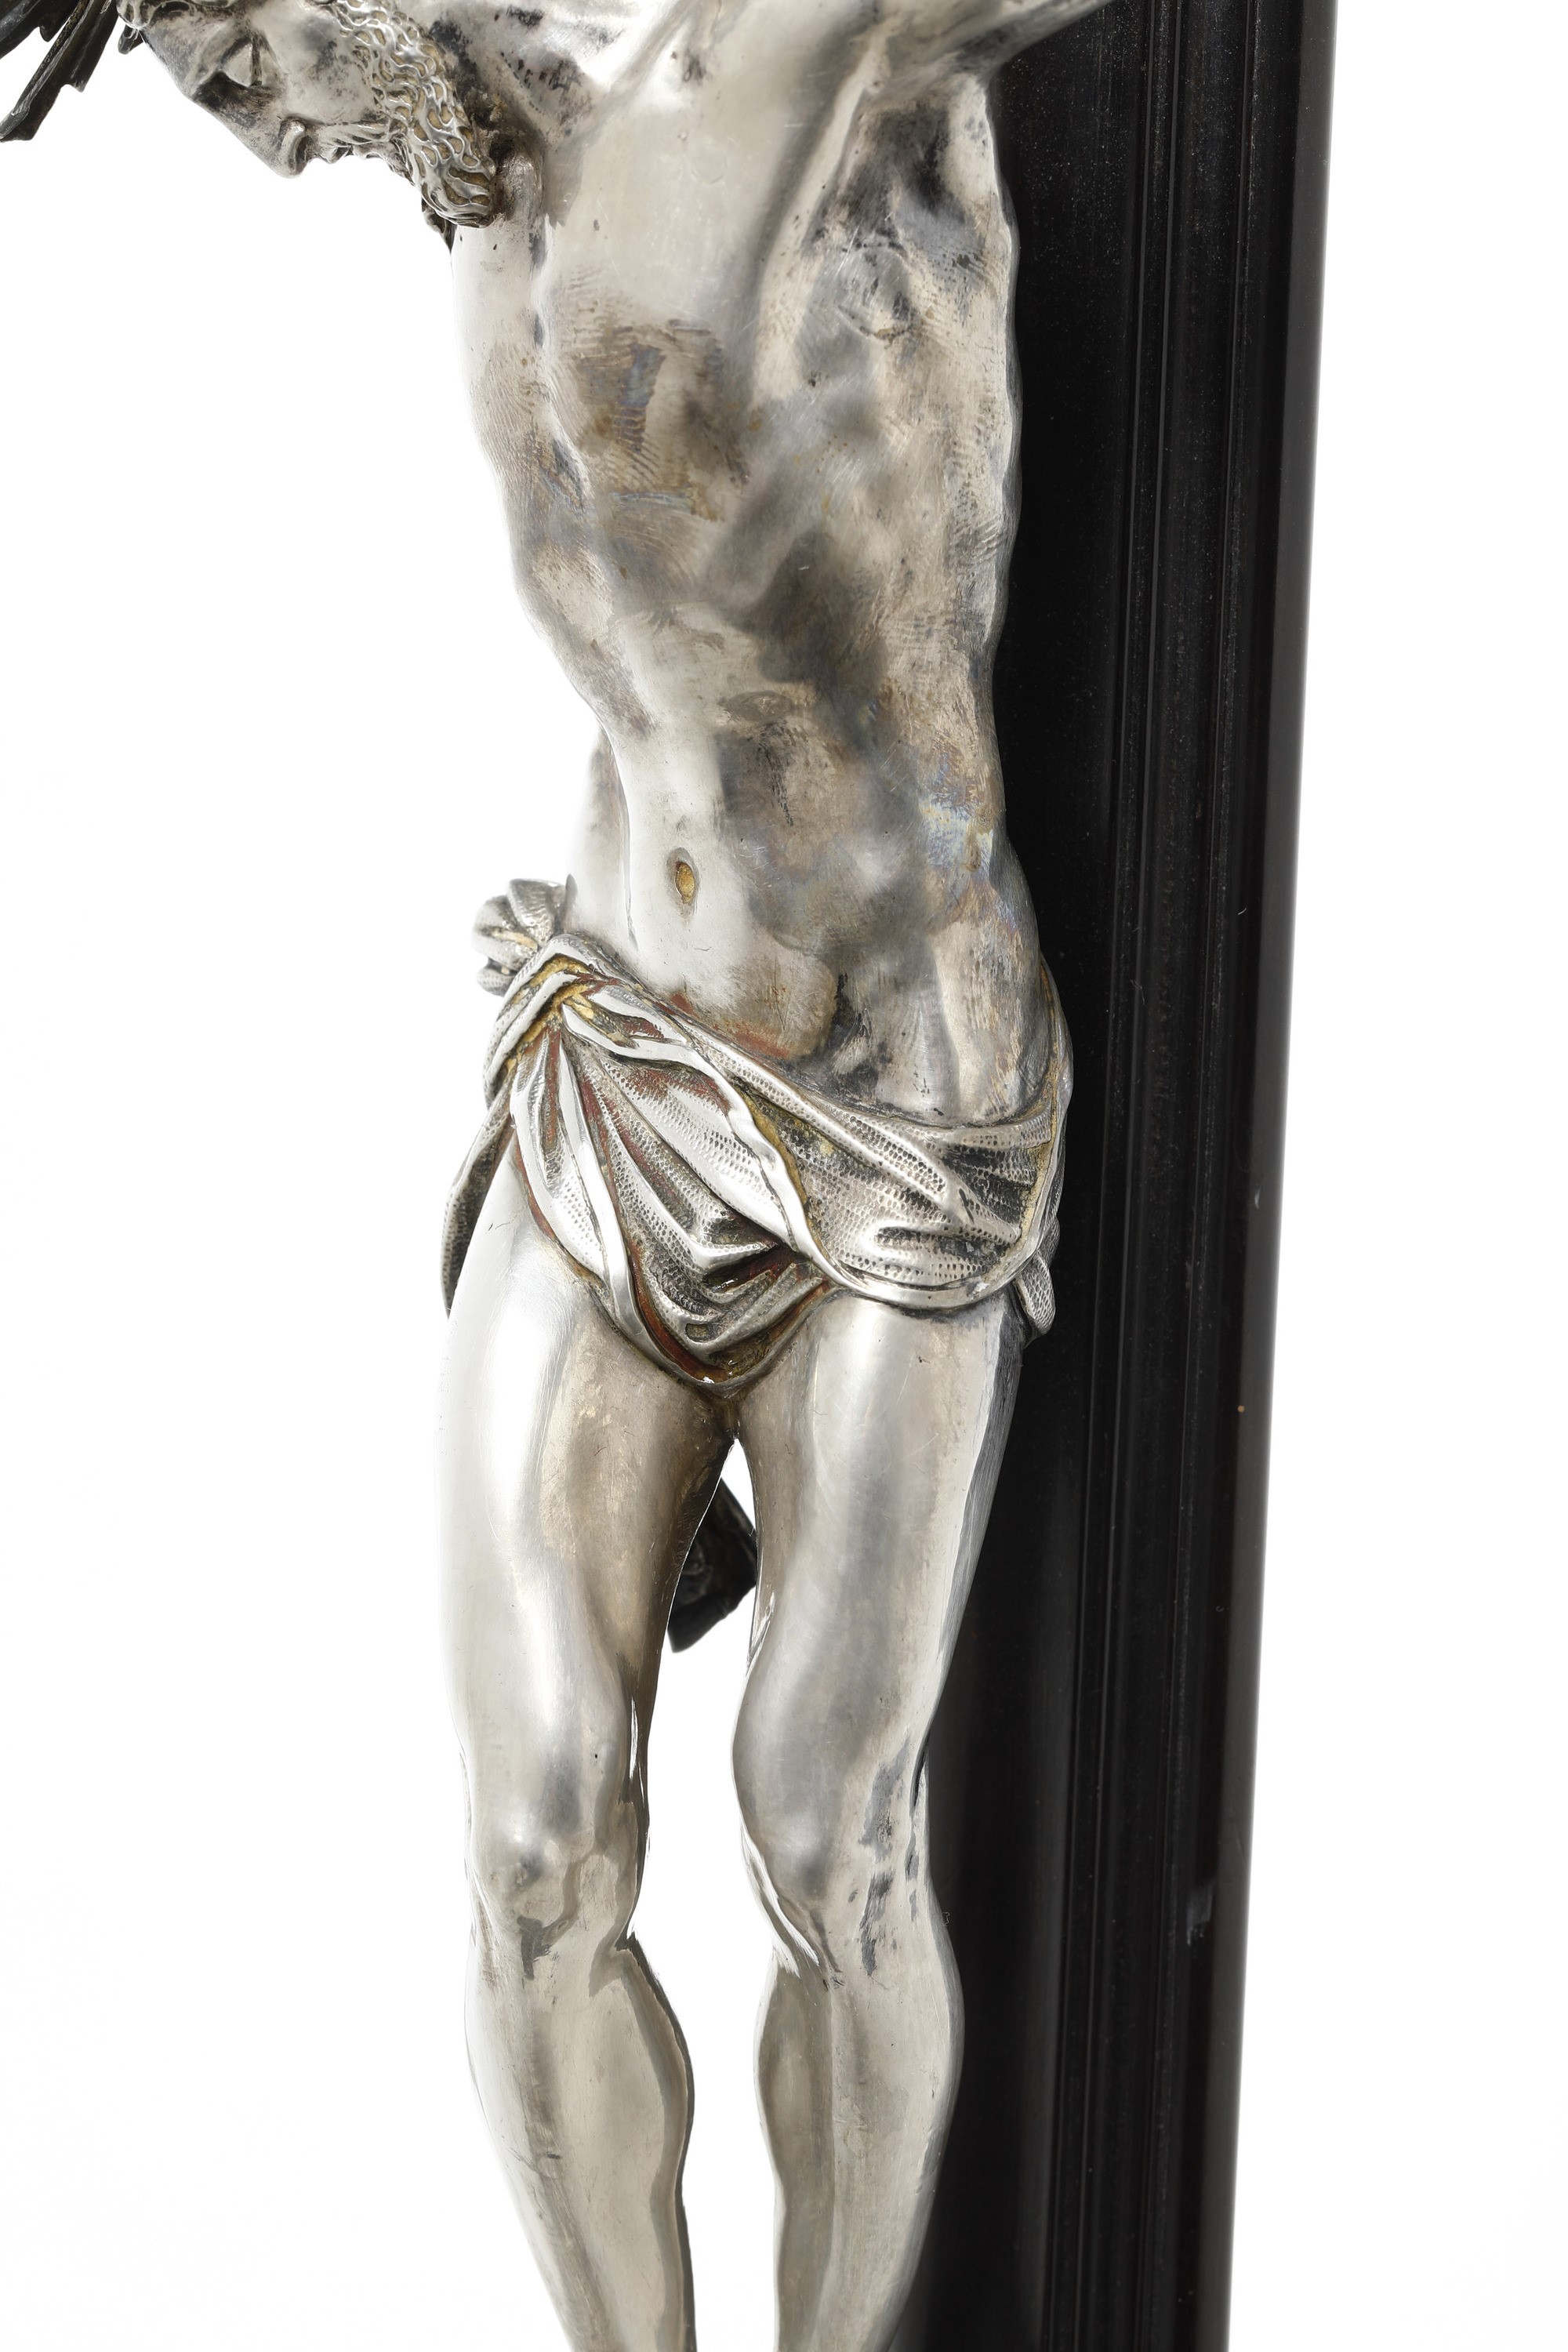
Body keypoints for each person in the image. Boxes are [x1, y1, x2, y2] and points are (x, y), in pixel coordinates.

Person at [2, 0, 1108, 2343]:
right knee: (529, 1858)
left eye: (241, 62)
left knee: (828, 1832)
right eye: (207, 99)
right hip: (611, 1062)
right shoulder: (478, 217)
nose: (264, 137)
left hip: (891, 1101)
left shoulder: (764, 76)